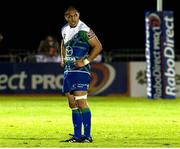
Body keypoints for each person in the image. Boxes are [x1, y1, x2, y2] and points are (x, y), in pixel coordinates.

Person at [60, 6, 102, 143]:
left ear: (78, 15)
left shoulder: (84, 30)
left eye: (75, 15)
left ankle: (87, 136)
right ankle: (77, 136)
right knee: (72, 103)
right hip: (68, 70)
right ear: (66, 17)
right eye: (69, 16)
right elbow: (63, 43)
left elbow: (98, 46)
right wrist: (63, 58)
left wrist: (85, 61)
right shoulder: (64, 29)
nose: (72, 18)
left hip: (80, 71)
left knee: (81, 102)